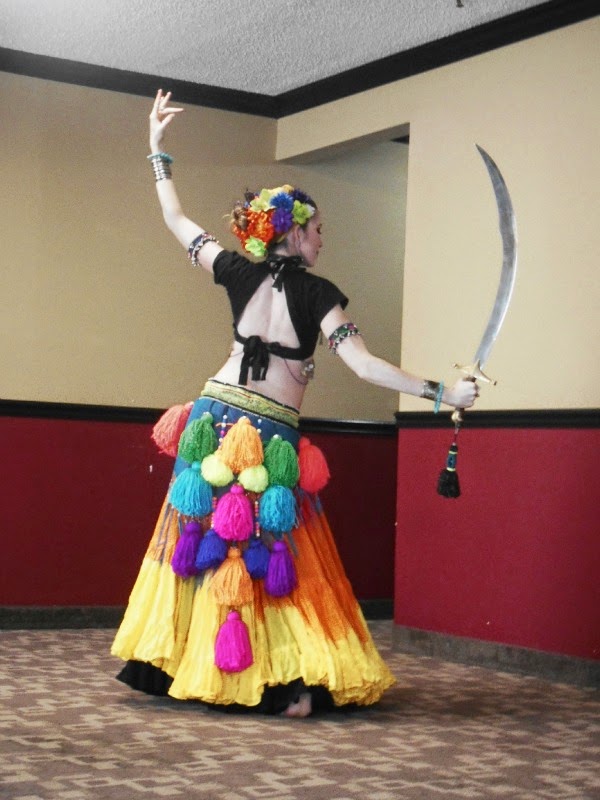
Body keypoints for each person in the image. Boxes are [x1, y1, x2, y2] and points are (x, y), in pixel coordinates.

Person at [112, 90, 478, 718]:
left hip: (213, 416)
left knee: (208, 541)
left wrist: (156, 151)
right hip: (266, 432)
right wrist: (442, 393)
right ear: (292, 233)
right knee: (271, 551)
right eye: (317, 230)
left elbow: (176, 220)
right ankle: (281, 684)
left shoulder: (235, 270)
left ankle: (195, 666)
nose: (322, 239)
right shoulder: (317, 294)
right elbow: (363, 365)